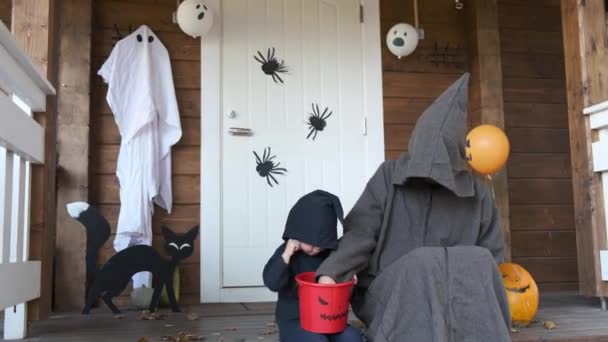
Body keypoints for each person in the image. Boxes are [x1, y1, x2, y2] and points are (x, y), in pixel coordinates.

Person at [315, 73, 512, 342]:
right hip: (389, 293)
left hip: (460, 301)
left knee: (475, 260)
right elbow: (359, 233)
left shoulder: (477, 192)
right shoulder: (388, 176)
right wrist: (331, 274)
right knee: (423, 262)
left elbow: (491, 258)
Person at [263, 190, 363, 342]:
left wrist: (350, 283)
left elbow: (343, 295)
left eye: (321, 245)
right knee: (316, 340)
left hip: (329, 319)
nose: (315, 249)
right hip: (296, 321)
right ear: (298, 232)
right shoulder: (287, 253)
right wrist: (287, 255)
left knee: (352, 338)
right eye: (311, 243)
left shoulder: (332, 256)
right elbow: (272, 283)